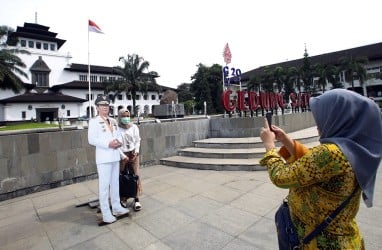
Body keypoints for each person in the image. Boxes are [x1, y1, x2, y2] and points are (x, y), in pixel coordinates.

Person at [259, 89, 382, 249]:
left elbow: (281, 177)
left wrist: (269, 145)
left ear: (339, 118)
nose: (318, 124)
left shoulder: (330, 153)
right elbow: (314, 164)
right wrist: (286, 140)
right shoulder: (352, 149)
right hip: (343, 239)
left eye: (323, 116)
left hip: (319, 242)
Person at [88, 95, 129, 223]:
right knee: (104, 186)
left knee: (115, 184)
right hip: (104, 158)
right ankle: (106, 213)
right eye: (102, 106)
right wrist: (108, 144)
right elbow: (92, 140)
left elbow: (117, 136)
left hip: (115, 156)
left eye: (106, 106)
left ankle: (116, 206)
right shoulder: (94, 121)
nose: (105, 108)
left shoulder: (113, 121)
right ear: (97, 107)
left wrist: (119, 143)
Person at [117, 108, 142, 211]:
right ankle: (123, 198)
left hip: (133, 154)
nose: (126, 118)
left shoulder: (134, 127)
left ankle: (136, 199)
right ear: (119, 117)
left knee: (135, 176)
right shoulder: (116, 129)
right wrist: (123, 156)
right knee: (123, 178)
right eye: (124, 116)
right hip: (122, 156)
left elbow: (137, 140)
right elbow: (116, 144)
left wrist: (135, 152)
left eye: (128, 116)